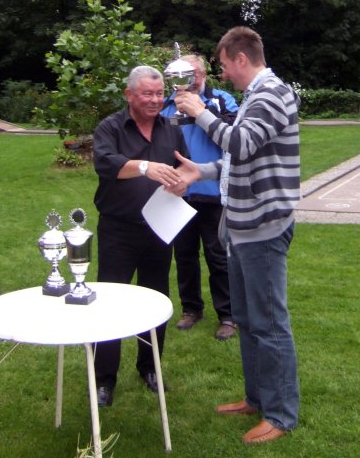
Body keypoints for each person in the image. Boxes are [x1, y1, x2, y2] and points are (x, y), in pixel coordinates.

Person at [171, 27, 301, 445]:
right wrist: (201, 171)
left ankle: (280, 415)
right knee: (247, 320)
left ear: (241, 58)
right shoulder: (254, 97)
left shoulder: (272, 94)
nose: (223, 74)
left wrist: (200, 113)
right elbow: (239, 158)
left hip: (264, 227)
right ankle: (256, 398)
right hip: (243, 225)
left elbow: (241, 143)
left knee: (270, 323)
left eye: (225, 65)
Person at [92, 65, 188, 408]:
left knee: (156, 300)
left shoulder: (170, 128)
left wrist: (182, 182)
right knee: (110, 302)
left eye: (159, 93)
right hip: (119, 230)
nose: (155, 100)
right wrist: (145, 167)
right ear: (129, 95)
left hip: (159, 227)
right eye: (147, 93)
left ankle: (150, 367)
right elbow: (106, 164)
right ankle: (104, 378)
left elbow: (184, 166)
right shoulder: (110, 128)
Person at [161, 54, 238, 340]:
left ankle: (228, 315)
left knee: (218, 257)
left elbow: (234, 135)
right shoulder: (167, 104)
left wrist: (201, 111)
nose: (189, 80)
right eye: (182, 74)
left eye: (193, 73)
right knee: (184, 256)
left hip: (213, 191)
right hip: (179, 192)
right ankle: (191, 309)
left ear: (204, 74)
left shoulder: (222, 100)